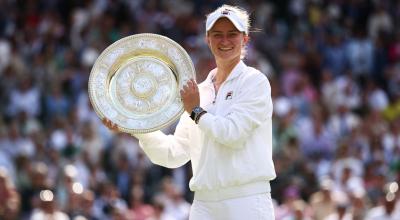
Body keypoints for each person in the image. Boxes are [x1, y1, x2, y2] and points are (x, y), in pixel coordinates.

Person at [103, 4, 276, 219]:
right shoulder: (198, 91)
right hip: (203, 204)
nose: (225, 41)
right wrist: (134, 125)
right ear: (207, 39)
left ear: (245, 39)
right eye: (217, 35)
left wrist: (195, 110)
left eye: (232, 34)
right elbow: (173, 154)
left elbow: (233, 134)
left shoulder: (254, 82)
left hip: (247, 202)